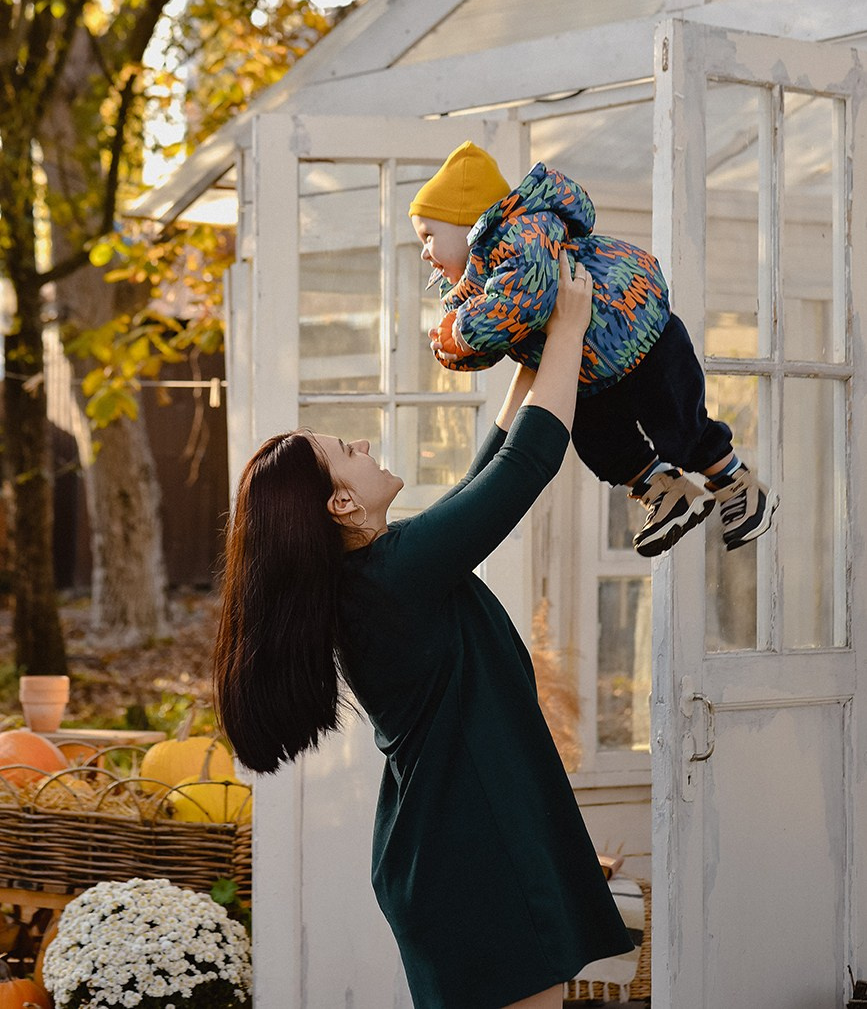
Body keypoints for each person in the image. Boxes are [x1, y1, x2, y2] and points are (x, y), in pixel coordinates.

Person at [213, 256, 633, 1009]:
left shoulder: (377, 575)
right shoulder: (392, 577)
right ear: (341, 503)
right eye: (348, 451)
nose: (365, 447)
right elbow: (525, 467)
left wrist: (531, 362)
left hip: (454, 850)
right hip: (473, 858)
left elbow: (481, 477)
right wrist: (568, 326)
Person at [409, 140, 779, 559]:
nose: (425, 252)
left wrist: (463, 331)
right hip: (588, 372)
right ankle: (667, 491)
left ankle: (737, 484)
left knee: (677, 424)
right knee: (598, 444)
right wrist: (456, 347)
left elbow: (523, 299)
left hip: (638, 332)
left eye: (429, 236)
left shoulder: (523, 233)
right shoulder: (476, 283)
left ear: (469, 224)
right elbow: (498, 334)